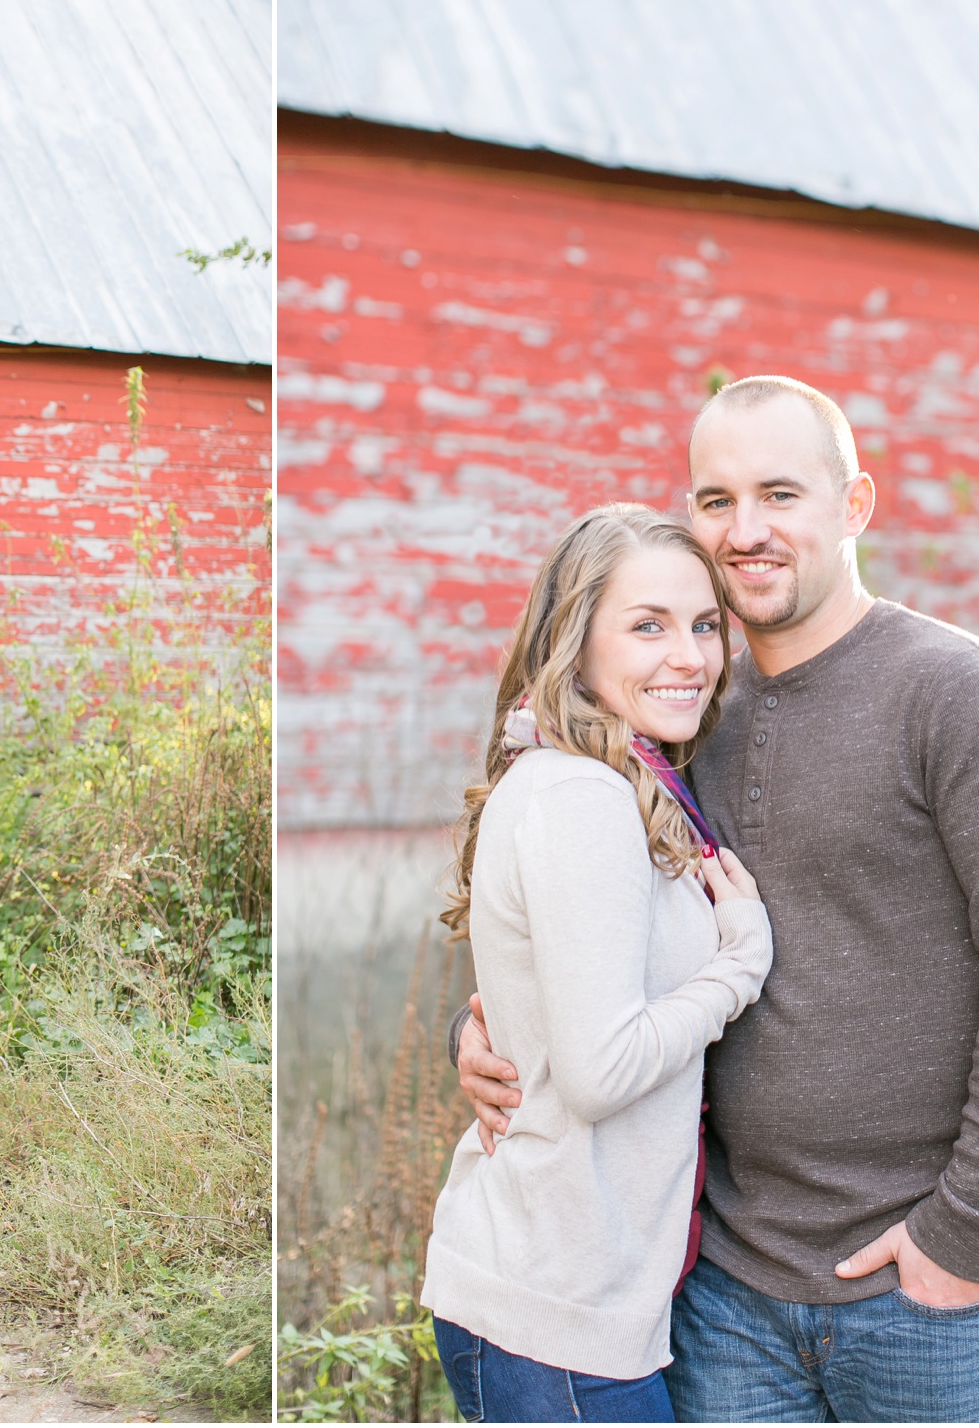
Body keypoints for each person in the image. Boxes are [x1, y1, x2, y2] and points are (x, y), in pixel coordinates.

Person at [453, 377, 979, 1423]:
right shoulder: (680, 710)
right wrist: (482, 1026)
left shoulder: (958, 695)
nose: (743, 530)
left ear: (853, 506)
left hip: (916, 1288)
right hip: (724, 1291)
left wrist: (966, 1233)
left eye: (778, 494)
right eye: (714, 500)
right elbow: (573, 912)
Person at [423, 504, 774, 1424]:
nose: (689, 656)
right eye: (647, 626)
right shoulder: (584, 797)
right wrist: (741, 963)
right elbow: (600, 1068)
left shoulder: (619, 777)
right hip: (554, 1314)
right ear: (575, 644)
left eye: (704, 625)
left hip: (577, 1298)